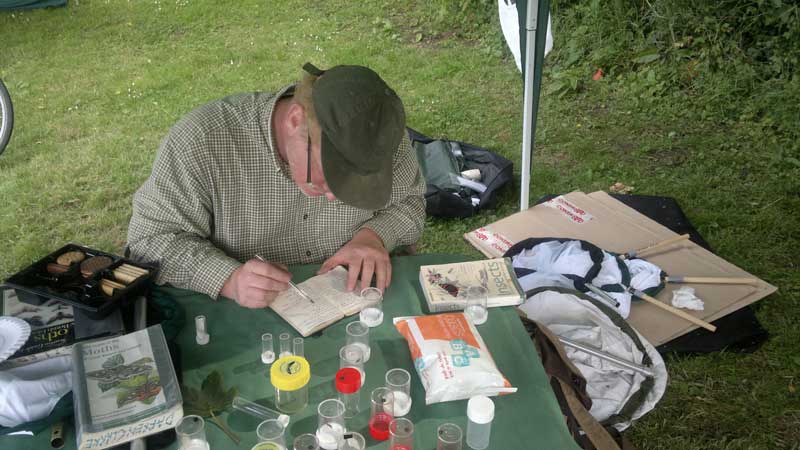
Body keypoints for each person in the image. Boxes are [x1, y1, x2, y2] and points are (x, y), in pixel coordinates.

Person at [126, 63, 426, 309]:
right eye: (332, 172)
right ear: (296, 120)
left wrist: (373, 237)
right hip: (241, 314)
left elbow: (410, 201)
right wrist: (229, 278)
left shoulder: (377, 138)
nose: (337, 196)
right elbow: (150, 240)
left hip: (355, 300)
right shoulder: (203, 140)